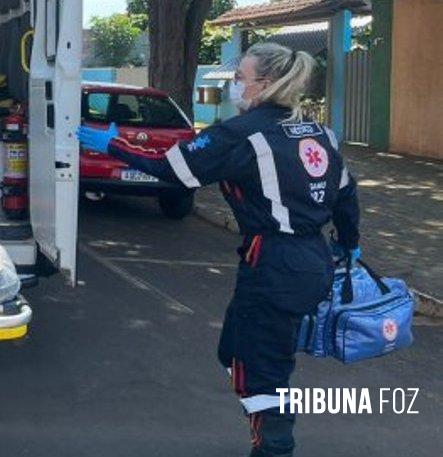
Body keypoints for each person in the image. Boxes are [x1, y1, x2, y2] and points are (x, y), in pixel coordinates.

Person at [78, 42, 361, 457]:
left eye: (239, 78)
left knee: (261, 367)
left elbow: (172, 172)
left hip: (275, 263)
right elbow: (347, 195)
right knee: (234, 349)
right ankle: (266, 414)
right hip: (310, 258)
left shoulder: (239, 134)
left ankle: (274, 446)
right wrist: (349, 245)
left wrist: (113, 145)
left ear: (264, 84)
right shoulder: (319, 132)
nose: (233, 85)